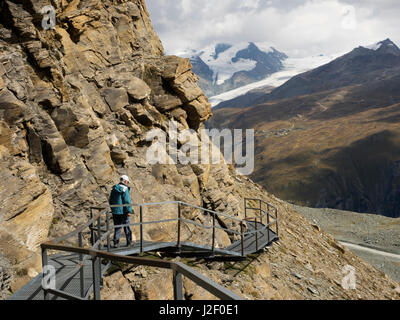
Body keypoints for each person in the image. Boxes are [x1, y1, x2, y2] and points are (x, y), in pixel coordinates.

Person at [109, 175, 133, 248]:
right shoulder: (125, 189)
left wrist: (113, 209)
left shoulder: (114, 188)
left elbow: (110, 200)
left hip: (115, 211)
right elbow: (127, 201)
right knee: (126, 226)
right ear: (125, 181)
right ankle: (129, 242)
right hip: (124, 211)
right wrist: (129, 211)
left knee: (117, 227)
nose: (127, 183)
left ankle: (116, 242)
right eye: (127, 182)